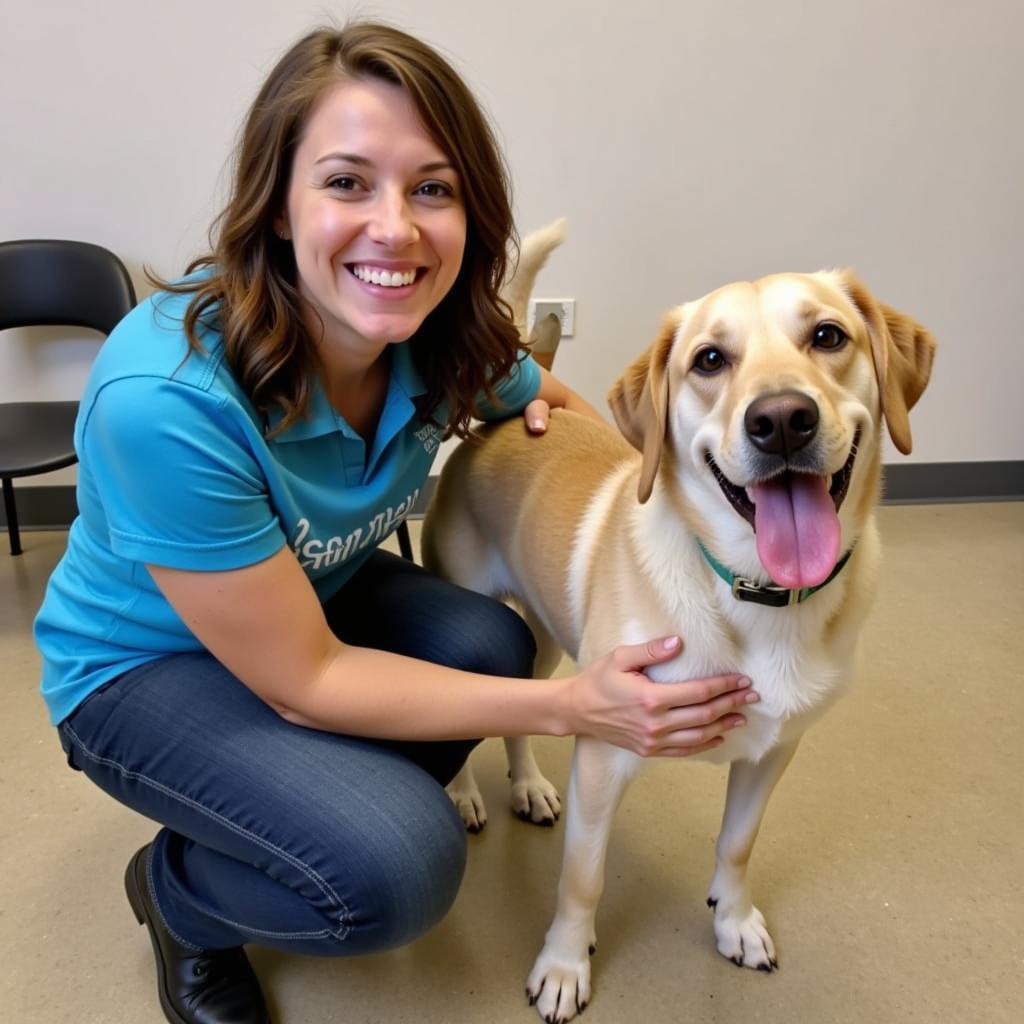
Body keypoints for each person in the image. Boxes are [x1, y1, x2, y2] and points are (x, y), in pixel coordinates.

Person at [34, 21, 759, 1024]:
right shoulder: (165, 399)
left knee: (492, 640)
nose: (397, 229)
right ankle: (180, 899)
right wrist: (577, 707)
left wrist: (548, 423)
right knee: (394, 866)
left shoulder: (438, 330)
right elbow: (307, 681)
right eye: (346, 182)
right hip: (139, 669)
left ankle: (281, 807)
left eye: (432, 188)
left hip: (305, 595)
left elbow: (558, 404)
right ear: (277, 206)